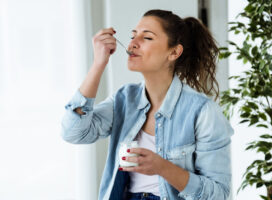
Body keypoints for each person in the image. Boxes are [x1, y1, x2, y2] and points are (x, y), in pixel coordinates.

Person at [61, 9, 234, 200]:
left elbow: (218, 194)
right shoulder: (124, 99)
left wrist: (162, 167)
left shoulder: (203, 111)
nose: (133, 43)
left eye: (147, 38)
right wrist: (98, 64)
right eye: (133, 36)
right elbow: (74, 132)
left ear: (174, 52)